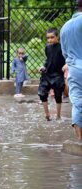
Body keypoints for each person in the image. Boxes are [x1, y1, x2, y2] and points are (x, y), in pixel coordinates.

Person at [60, 0, 82, 140]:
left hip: (74, 70)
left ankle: (80, 141)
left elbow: (65, 54)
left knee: (78, 103)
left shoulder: (64, 28)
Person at [38, 28, 65, 121]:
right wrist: (43, 67)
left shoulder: (62, 48)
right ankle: (47, 114)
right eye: (48, 38)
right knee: (42, 93)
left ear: (57, 37)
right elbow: (48, 60)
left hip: (58, 74)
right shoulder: (47, 47)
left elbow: (68, 59)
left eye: (52, 37)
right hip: (47, 74)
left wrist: (66, 65)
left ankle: (58, 115)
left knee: (58, 95)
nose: (50, 40)